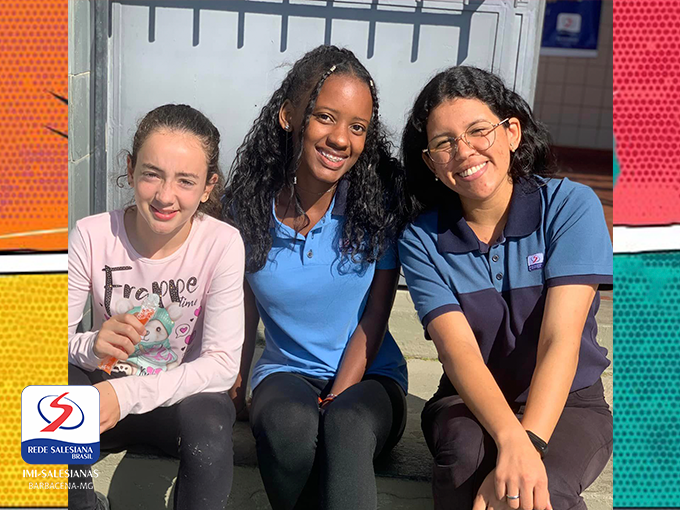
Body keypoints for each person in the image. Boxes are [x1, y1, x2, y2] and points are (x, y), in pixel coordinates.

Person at [398, 66, 613, 510]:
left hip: (570, 403)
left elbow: (560, 340)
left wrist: (527, 445)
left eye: (479, 131)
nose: (464, 151)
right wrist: (510, 439)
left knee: (541, 490)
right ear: (430, 162)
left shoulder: (569, 206)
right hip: (468, 399)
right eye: (444, 143)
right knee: (463, 467)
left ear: (512, 132)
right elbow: (458, 351)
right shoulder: (421, 239)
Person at [224, 45, 409, 510]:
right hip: (286, 373)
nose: (341, 139)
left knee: (345, 426)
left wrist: (338, 397)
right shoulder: (246, 208)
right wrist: (236, 386)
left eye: (358, 127)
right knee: (287, 425)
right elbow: (243, 306)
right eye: (326, 117)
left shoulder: (376, 207)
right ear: (289, 116)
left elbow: (376, 314)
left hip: (370, 378)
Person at [68, 104, 245, 510]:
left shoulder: (221, 244)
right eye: (152, 174)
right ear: (130, 170)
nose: (166, 196)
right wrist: (92, 345)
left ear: (208, 187)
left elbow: (222, 364)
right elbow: (45, 344)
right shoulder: (92, 235)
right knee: (45, 392)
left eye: (186, 181)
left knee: (211, 425)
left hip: (178, 402)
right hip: (101, 396)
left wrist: (127, 393)